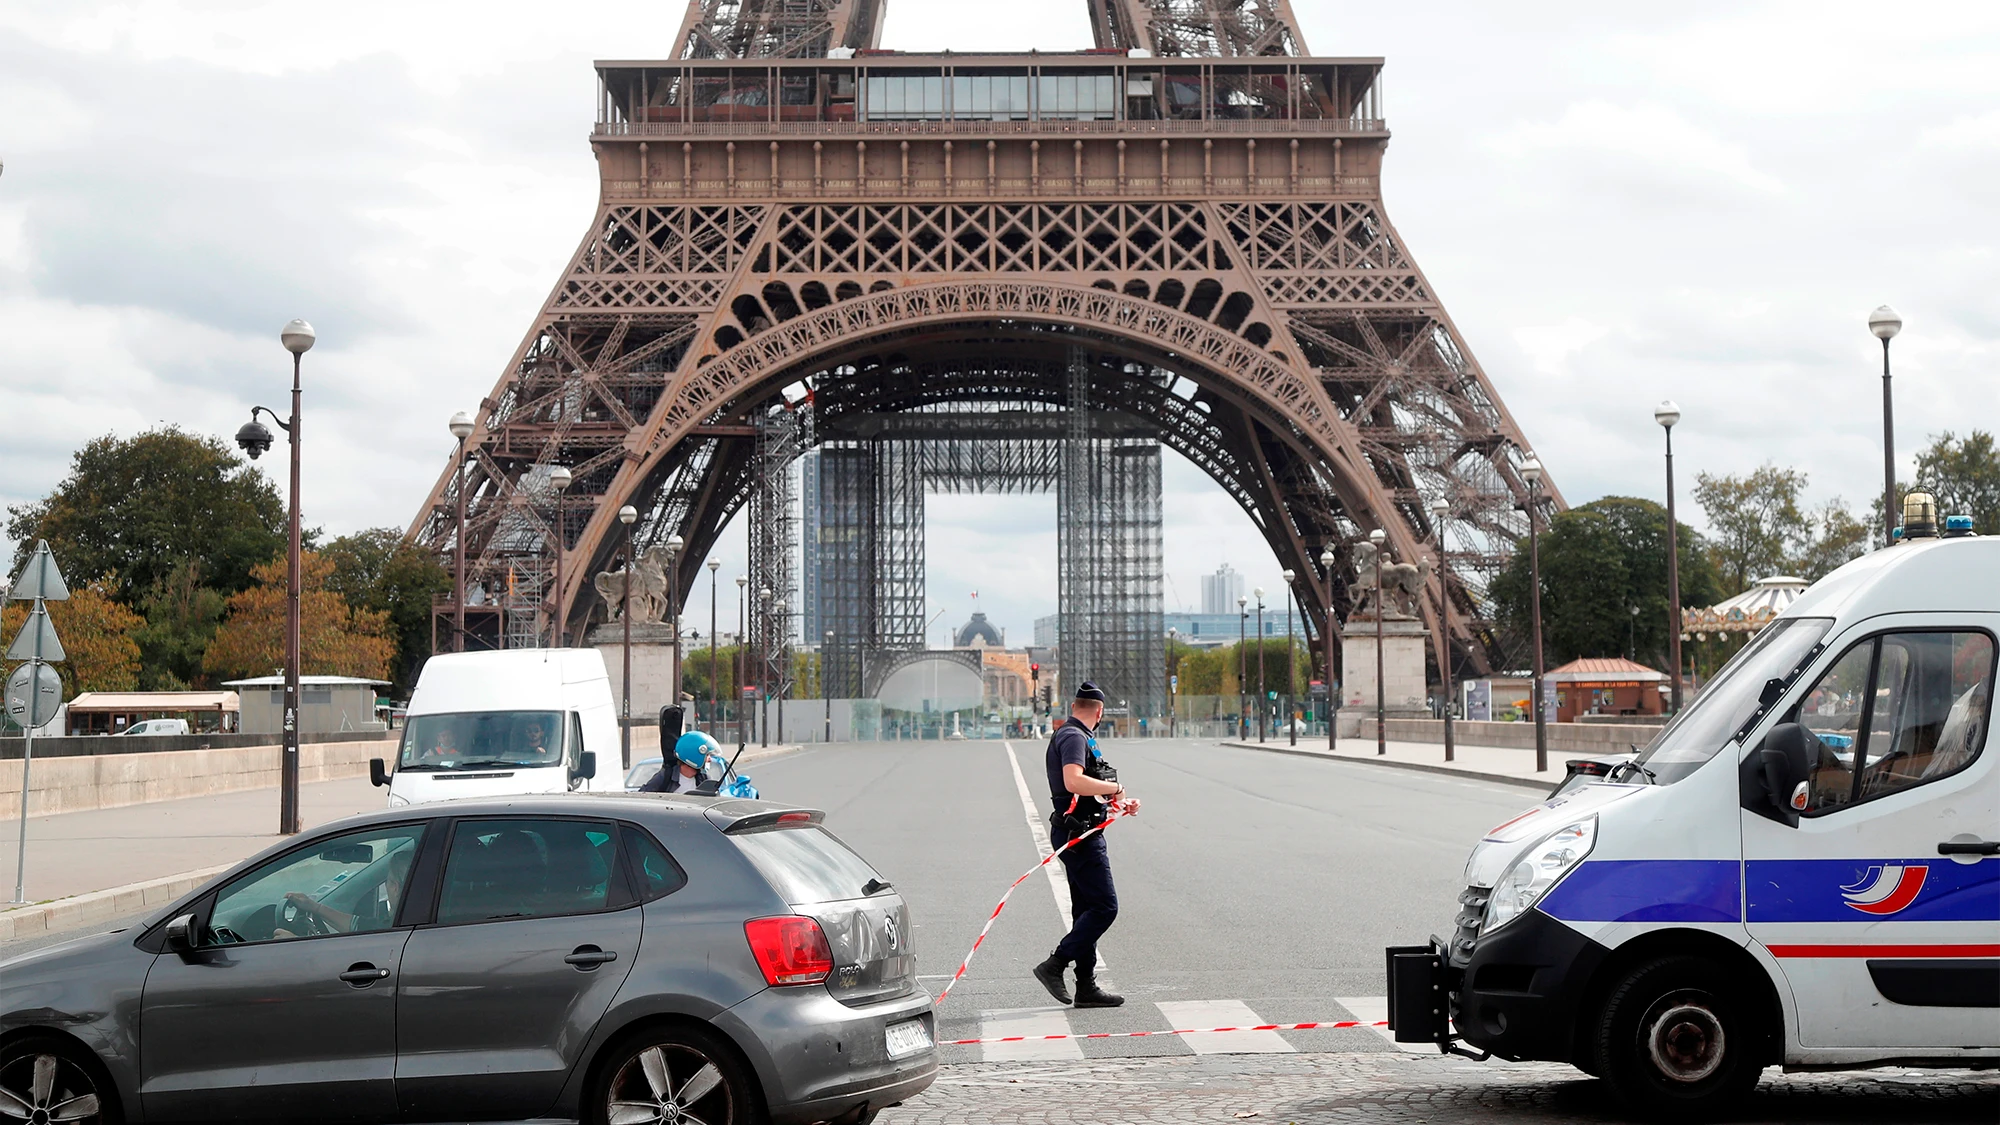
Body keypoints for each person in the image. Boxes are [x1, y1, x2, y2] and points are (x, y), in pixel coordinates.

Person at [1032, 681, 1139, 1008]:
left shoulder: (1073, 733)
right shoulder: (1075, 736)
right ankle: (1056, 964)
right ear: (1100, 711)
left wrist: (1118, 800)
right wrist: (1116, 786)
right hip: (1079, 835)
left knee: (1086, 908)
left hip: (1079, 828)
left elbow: (1083, 791)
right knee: (1105, 907)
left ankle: (1086, 986)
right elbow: (1073, 780)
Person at [642, 730, 720, 793]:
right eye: (707, 755)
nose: (709, 759)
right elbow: (642, 797)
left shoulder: (704, 780)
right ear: (694, 756)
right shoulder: (665, 777)